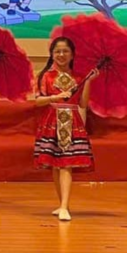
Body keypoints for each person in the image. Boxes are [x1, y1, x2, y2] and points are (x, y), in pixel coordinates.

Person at [32, 36, 98, 221]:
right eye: (57, 51)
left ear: (72, 54)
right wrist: (54, 98)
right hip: (51, 121)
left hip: (72, 122)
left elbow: (82, 103)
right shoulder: (45, 76)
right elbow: (38, 101)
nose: (61, 55)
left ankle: (64, 206)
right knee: (55, 164)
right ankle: (63, 204)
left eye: (65, 51)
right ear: (52, 54)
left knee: (66, 164)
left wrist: (88, 81)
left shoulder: (79, 77)